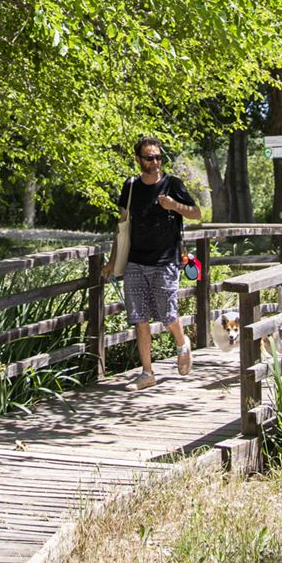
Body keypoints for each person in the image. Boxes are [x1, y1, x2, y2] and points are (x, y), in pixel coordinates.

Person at [116, 136, 201, 388]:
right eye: (149, 157)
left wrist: (174, 205)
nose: (155, 162)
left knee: (167, 314)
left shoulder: (172, 184)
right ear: (138, 160)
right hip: (135, 261)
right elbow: (121, 225)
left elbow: (196, 214)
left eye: (158, 157)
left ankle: (181, 342)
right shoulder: (131, 186)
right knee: (139, 318)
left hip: (166, 260)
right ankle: (147, 373)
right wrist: (113, 261)